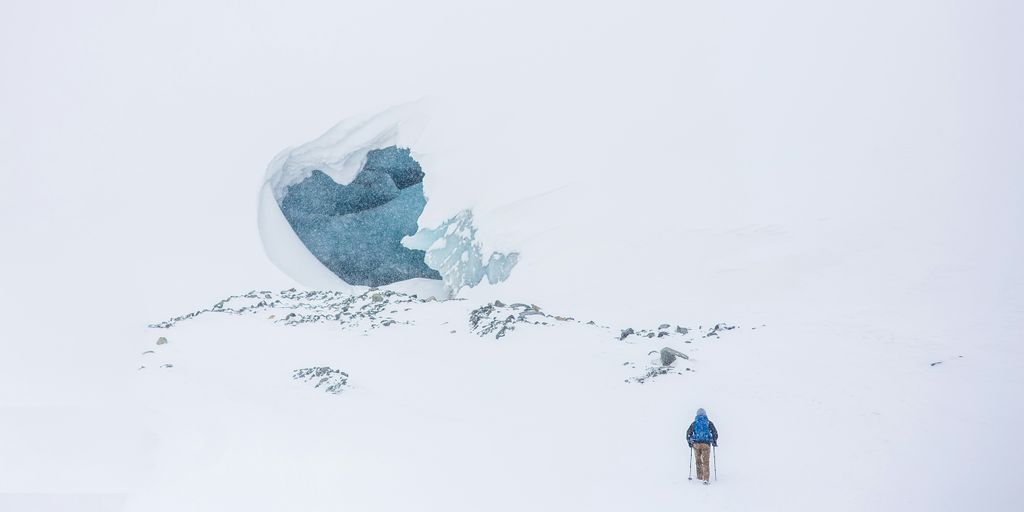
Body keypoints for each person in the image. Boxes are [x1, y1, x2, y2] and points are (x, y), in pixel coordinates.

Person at [686, 408, 719, 484]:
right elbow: (715, 433)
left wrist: (690, 442)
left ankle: (699, 476)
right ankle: (706, 479)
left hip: (696, 445)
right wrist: (714, 440)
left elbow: (688, 433)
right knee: (706, 462)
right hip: (706, 444)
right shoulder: (708, 422)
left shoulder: (694, 423)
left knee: (698, 461)